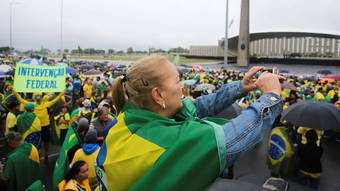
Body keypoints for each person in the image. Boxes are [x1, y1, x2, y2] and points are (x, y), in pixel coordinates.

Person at [96, 55, 284, 190]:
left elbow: (196, 107)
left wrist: (240, 87)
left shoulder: (127, 120)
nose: (183, 87)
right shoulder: (167, 141)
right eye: (178, 81)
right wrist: (271, 96)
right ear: (158, 95)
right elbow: (232, 139)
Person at [14, 91, 64, 160]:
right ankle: (38, 153)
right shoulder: (35, 105)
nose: (38, 101)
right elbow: (21, 100)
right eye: (38, 100)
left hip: (43, 126)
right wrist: (15, 93)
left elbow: (21, 100)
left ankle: (45, 154)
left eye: (39, 99)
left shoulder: (44, 104)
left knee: (45, 141)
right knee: (39, 141)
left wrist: (62, 92)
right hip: (38, 127)